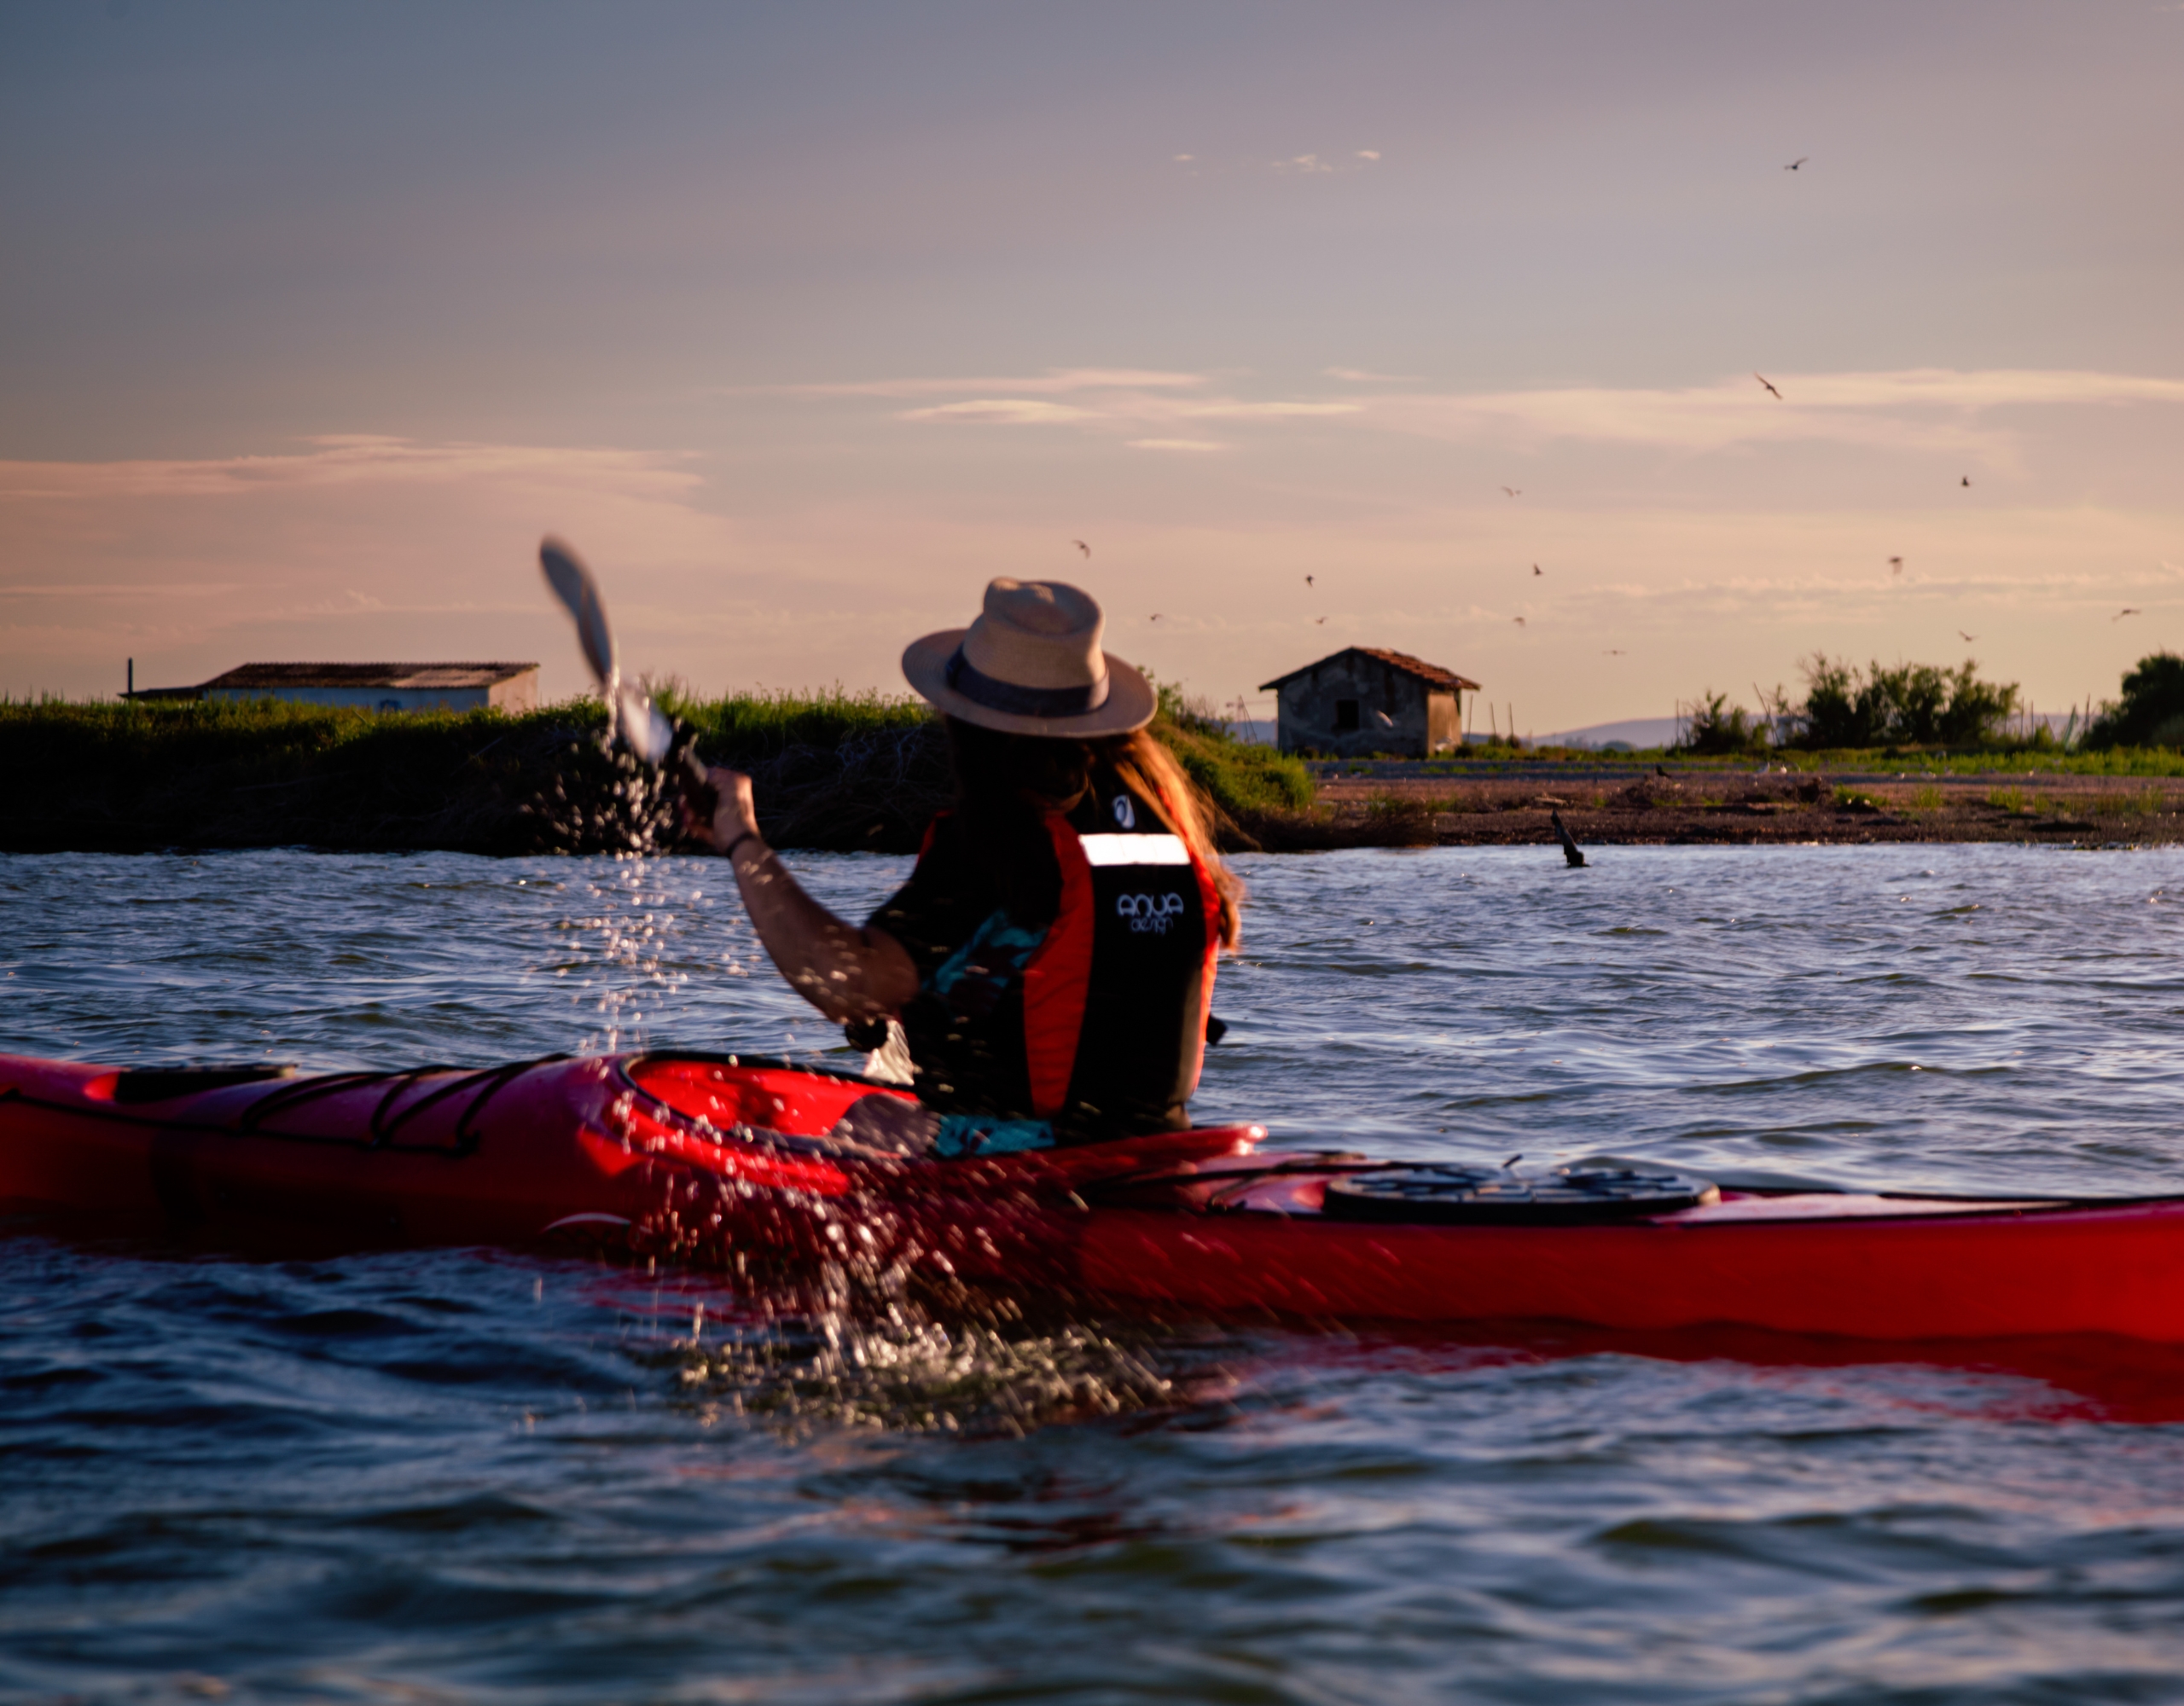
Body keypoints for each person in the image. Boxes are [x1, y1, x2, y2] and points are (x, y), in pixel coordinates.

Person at [693, 577, 1242, 1157]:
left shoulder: (1001, 840)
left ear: (972, 725)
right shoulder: (1155, 819)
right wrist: (913, 1006)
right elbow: (1040, 969)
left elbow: (844, 985)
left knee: (870, 1121)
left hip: (1044, 1166)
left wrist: (742, 841)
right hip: (1155, 1151)